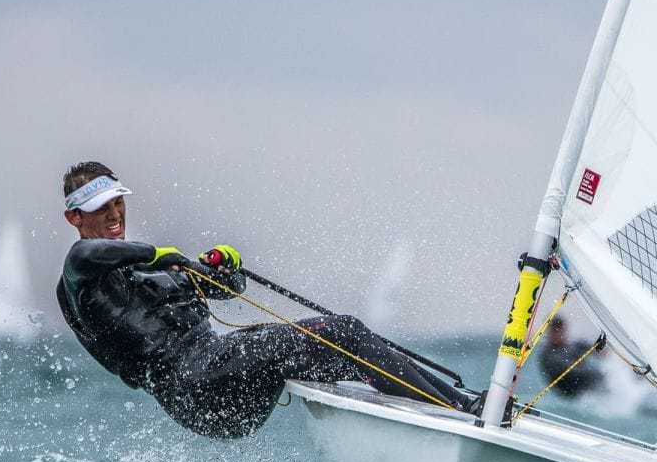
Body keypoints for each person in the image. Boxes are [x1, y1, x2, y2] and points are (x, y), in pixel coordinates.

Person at [56, 161, 472, 438]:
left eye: (118, 203)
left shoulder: (148, 270)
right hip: (194, 387)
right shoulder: (79, 275)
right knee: (342, 331)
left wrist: (224, 269)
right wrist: (157, 253)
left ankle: (453, 409)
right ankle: (459, 410)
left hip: (221, 373)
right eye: (100, 208)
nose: (114, 214)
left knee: (344, 348)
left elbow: (226, 290)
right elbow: (89, 255)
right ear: (74, 217)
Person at [536, 316, 604, 397]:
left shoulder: (575, 345)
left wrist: (600, 349)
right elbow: (562, 367)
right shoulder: (547, 354)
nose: (557, 335)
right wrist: (575, 362)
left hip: (584, 383)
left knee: (600, 372)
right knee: (592, 375)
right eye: (554, 331)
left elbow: (598, 352)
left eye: (559, 331)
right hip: (568, 387)